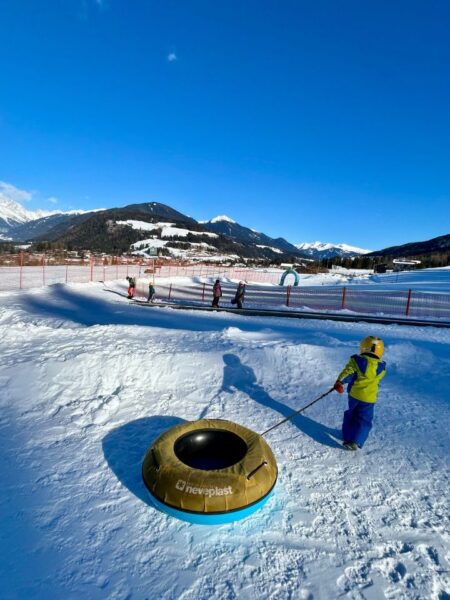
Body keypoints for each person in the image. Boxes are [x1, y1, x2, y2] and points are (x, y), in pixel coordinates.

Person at [334, 336, 386, 451]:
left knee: (351, 414)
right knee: (364, 420)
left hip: (354, 395)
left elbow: (348, 373)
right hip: (369, 398)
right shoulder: (382, 368)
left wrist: (340, 382)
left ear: (363, 347)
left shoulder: (357, 361)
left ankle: (347, 436)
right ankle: (356, 441)